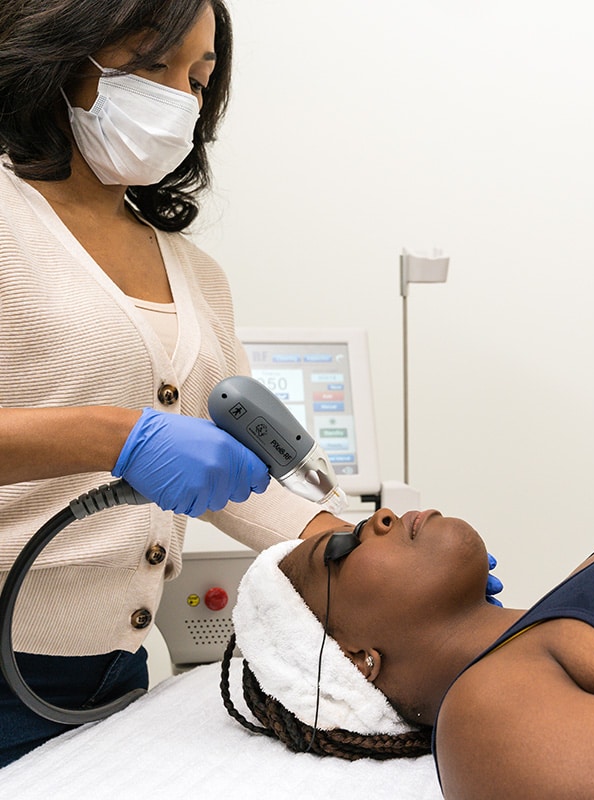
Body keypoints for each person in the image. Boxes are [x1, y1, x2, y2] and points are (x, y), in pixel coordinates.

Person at [0, 0, 351, 767]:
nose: (179, 100)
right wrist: (116, 437)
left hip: (114, 676)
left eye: (198, 76)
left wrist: (349, 547)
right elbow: (149, 446)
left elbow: (235, 472)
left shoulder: (196, 274)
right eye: (148, 64)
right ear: (58, 58)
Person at [223, 505, 594, 798]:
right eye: (340, 549)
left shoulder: (586, 579)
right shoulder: (487, 717)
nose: (381, 517)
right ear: (354, 660)